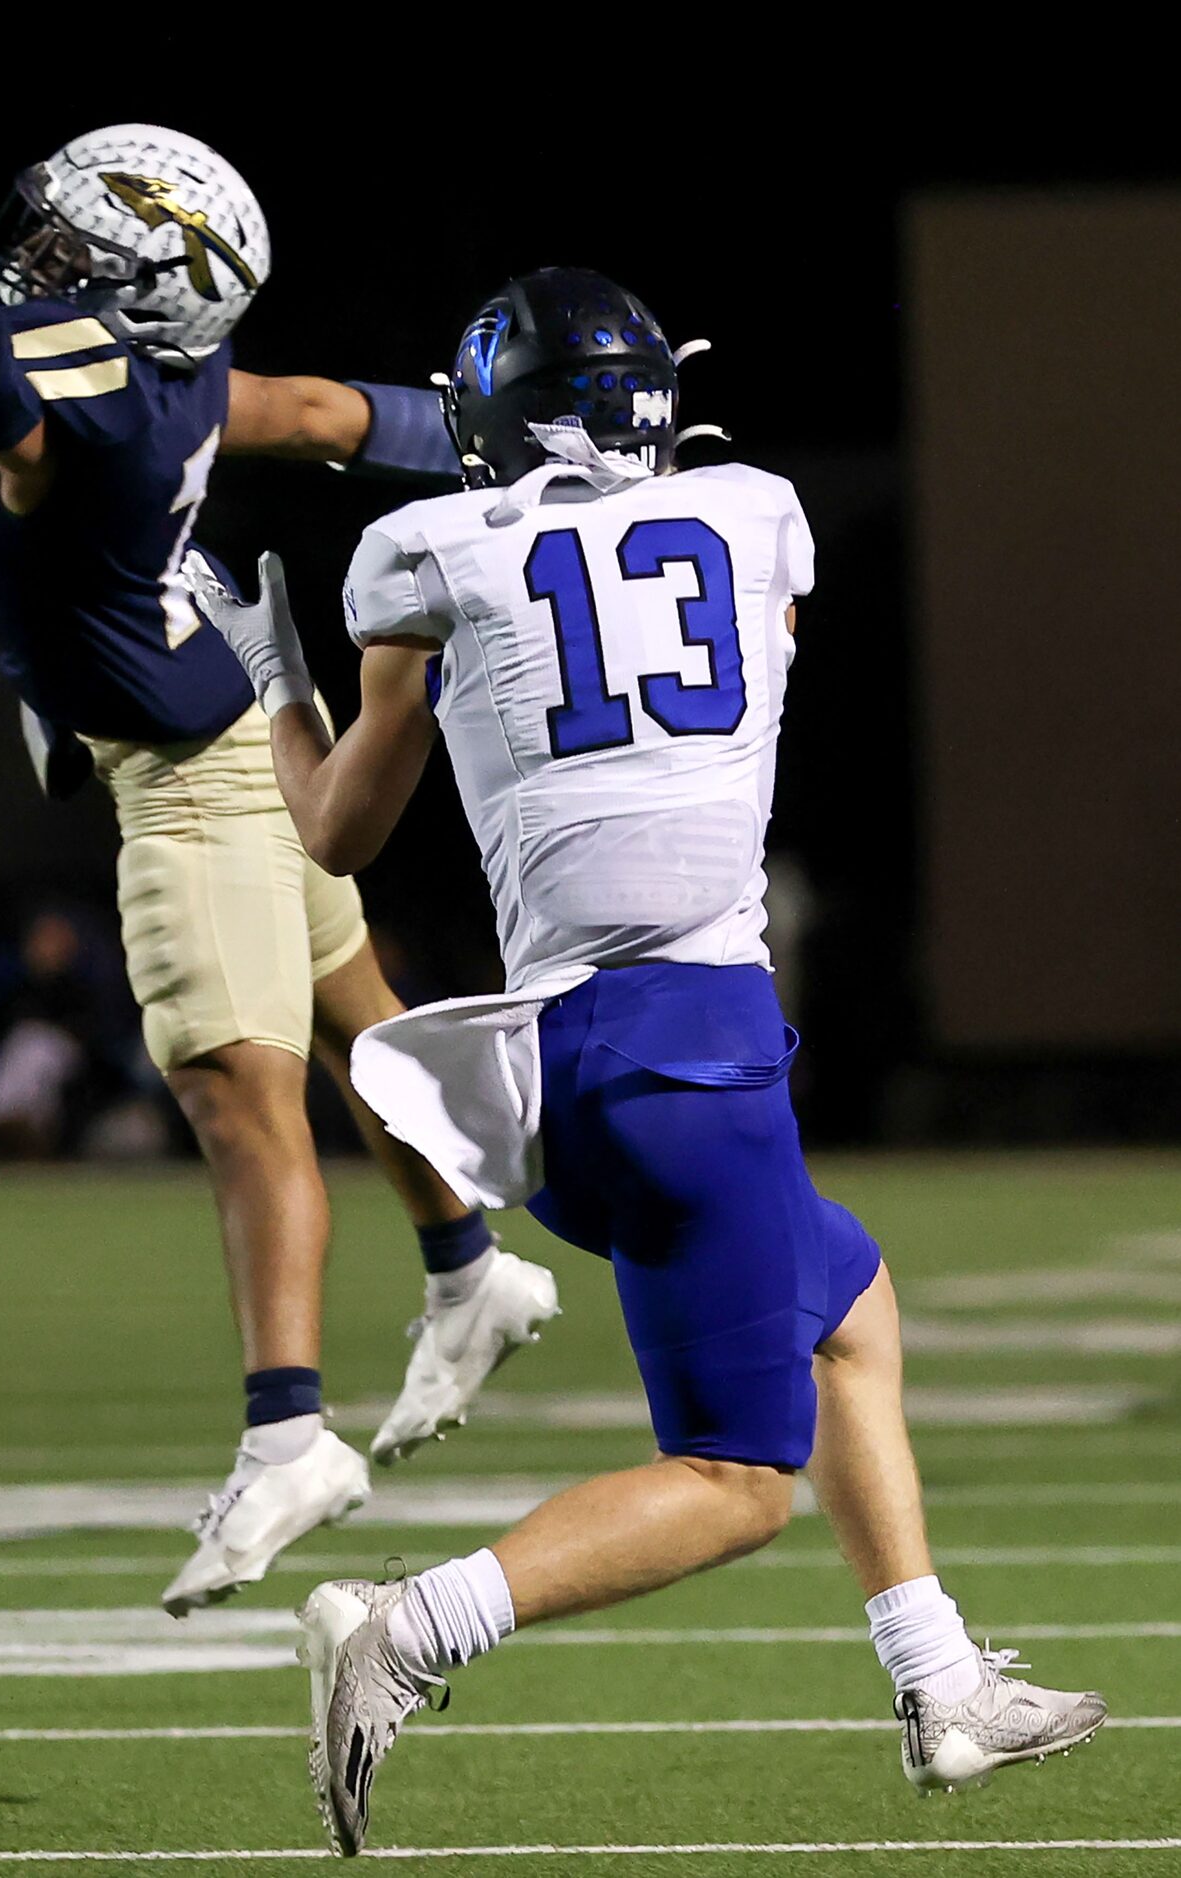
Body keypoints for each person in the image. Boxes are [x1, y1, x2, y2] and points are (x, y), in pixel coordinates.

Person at [193, 266, 1107, 1855]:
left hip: (570, 1066)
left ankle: (939, 1679)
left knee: (848, 1314)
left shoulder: (425, 549)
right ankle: (403, 1627)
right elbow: (727, 619)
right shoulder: (754, 509)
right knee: (738, 1477)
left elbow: (336, 824)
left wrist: (283, 688)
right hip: (692, 1056)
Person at [0, 128, 559, 1618]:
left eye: (71, 257)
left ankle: (286, 1432)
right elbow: (318, 410)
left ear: (146, 297)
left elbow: (19, 438)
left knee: (238, 1094)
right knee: (356, 1019)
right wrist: (499, 429)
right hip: (233, 709)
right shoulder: (179, 375)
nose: (33, 266)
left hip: (191, 786)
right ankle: (469, 1266)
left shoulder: (105, 422)